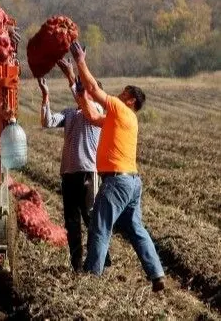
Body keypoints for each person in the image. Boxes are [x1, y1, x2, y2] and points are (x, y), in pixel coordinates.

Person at [69, 41, 165, 292]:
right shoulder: (122, 118)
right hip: (132, 182)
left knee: (99, 226)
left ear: (131, 100)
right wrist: (80, 94)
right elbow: (91, 115)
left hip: (117, 181)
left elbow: (94, 87)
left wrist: (80, 61)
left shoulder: (121, 109)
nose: (119, 95)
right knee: (136, 229)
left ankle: (91, 278)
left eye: (124, 93)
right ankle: (157, 273)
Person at [39, 59, 110, 272]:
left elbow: (82, 99)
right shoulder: (70, 113)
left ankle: (101, 260)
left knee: (91, 218)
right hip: (68, 173)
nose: (84, 92)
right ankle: (76, 265)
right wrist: (46, 96)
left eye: (87, 90)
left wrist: (71, 74)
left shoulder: (97, 111)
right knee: (72, 222)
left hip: (88, 172)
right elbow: (47, 122)